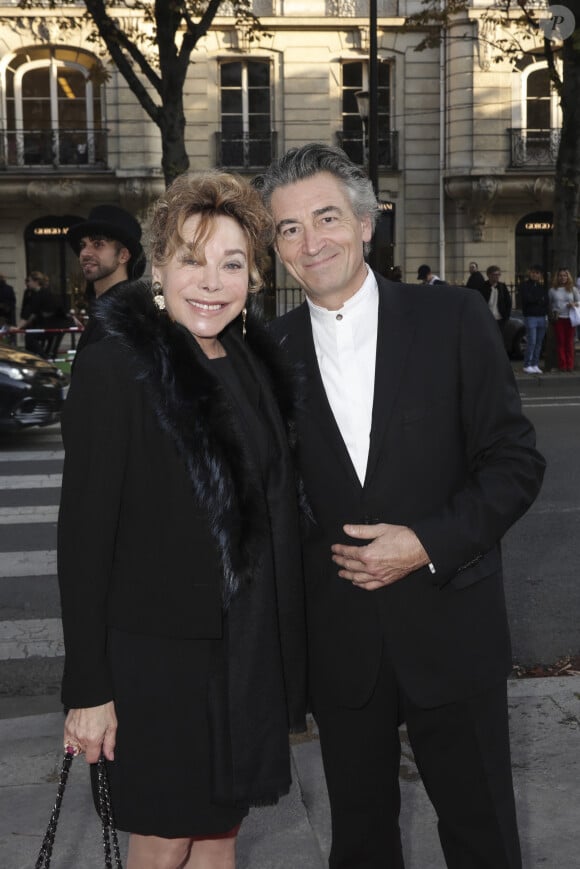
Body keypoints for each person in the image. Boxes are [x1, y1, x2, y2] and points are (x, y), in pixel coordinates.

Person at [257, 143, 545, 869]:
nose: (309, 240)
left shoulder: (453, 317)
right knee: (359, 844)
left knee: (482, 836)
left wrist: (425, 541)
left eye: (325, 218)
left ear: (365, 224)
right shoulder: (265, 352)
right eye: (288, 228)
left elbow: (514, 462)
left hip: (452, 623)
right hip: (340, 642)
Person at [58, 171, 307, 869]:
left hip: (240, 656)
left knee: (216, 834)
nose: (212, 280)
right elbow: (82, 539)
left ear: (254, 276)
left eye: (232, 263)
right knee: (165, 840)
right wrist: (88, 690)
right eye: (193, 258)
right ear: (159, 265)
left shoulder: (251, 363)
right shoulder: (120, 367)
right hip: (155, 662)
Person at [66, 203, 147, 358]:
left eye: (98, 244)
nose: (84, 253)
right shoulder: (105, 307)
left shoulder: (127, 316)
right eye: (83, 245)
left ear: (123, 256)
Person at [548, 267, 580, 372]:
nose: (563, 277)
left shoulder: (573, 289)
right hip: (559, 319)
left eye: (565, 275)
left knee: (569, 342)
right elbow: (549, 304)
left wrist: (574, 304)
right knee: (561, 342)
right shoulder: (553, 290)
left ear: (568, 277)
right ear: (557, 277)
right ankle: (563, 365)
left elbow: (579, 302)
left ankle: (570, 365)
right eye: (560, 275)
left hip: (570, 319)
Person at [519, 265, 548, 374]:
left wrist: (538, 301)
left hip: (541, 317)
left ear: (540, 275)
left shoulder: (541, 287)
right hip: (530, 316)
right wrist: (539, 300)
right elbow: (527, 299)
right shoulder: (524, 286)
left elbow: (546, 301)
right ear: (530, 273)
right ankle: (527, 364)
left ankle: (535, 364)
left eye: (537, 273)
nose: (535, 274)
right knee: (532, 341)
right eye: (533, 272)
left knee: (539, 342)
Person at [480, 265, 512, 333]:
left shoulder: (502, 286)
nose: (497, 276)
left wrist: (506, 317)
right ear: (488, 275)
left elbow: (508, 302)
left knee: (499, 338)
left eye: (498, 274)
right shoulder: (482, 287)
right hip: (487, 318)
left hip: (500, 319)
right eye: (494, 274)